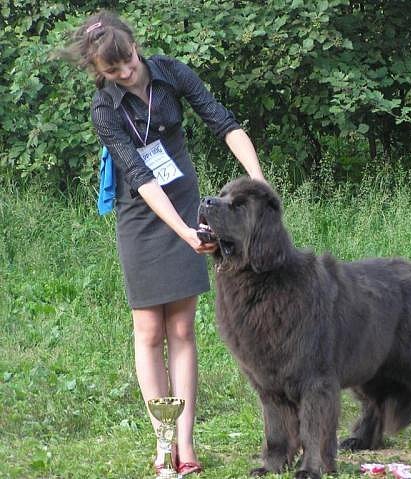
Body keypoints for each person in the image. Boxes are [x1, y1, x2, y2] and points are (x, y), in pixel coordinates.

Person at [57, 10, 265, 476]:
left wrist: (258, 181)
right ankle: (162, 442)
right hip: (142, 212)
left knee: (183, 331)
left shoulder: (171, 72)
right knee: (149, 331)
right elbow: (141, 176)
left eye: (129, 61)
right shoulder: (105, 109)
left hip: (187, 198)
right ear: (99, 72)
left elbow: (223, 122)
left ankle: (186, 445)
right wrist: (185, 233)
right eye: (114, 71)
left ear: (134, 45)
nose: (127, 73)